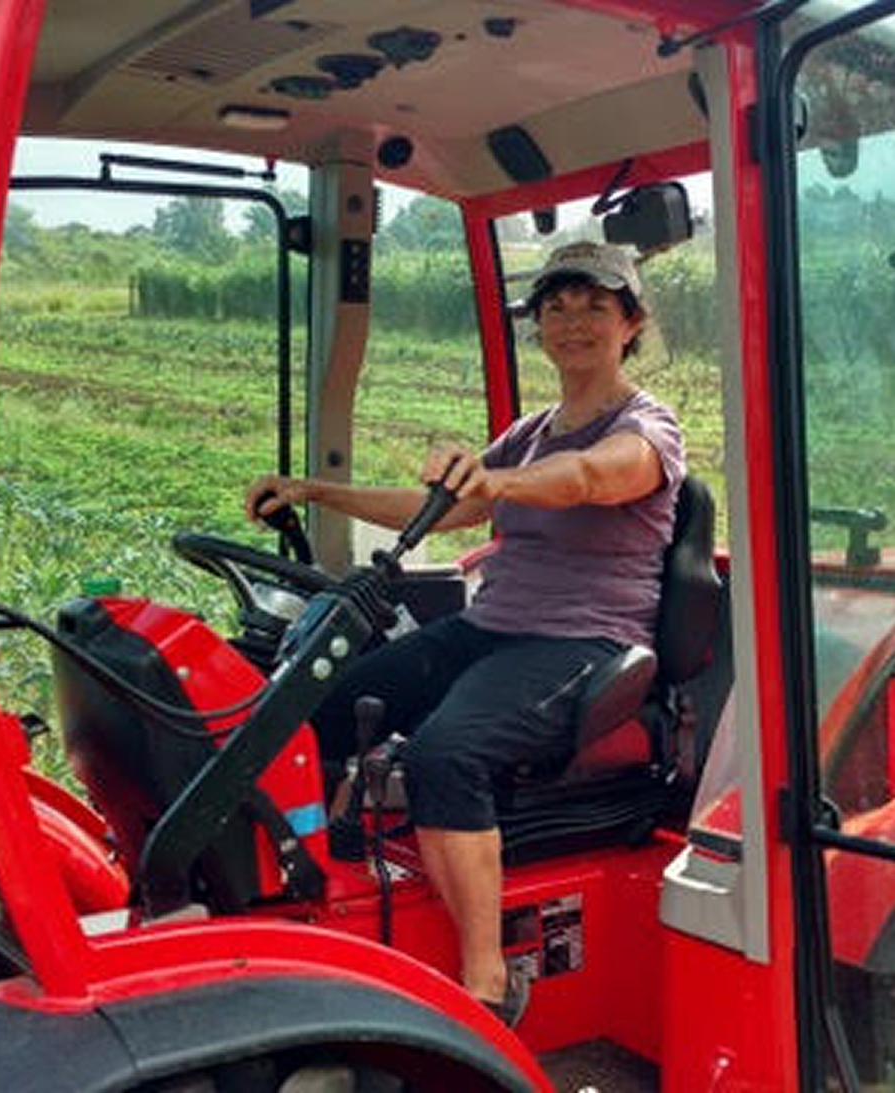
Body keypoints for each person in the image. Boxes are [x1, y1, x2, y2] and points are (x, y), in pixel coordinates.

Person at [244, 241, 685, 1027]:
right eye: (556, 306)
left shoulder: (648, 425)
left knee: (447, 750)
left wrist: (497, 480)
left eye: (594, 305)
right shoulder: (530, 431)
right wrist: (316, 490)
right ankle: (317, 878)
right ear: (538, 325)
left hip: (581, 643)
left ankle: (487, 982)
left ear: (631, 322)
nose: (573, 321)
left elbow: (593, 477)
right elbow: (448, 507)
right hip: (491, 627)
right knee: (318, 708)